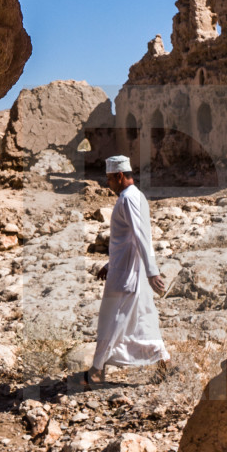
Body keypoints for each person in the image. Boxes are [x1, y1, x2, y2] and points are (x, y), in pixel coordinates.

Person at [87, 155, 170, 385]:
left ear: (119, 176)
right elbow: (127, 240)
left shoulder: (129, 198)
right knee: (142, 321)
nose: (108, 184)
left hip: (128, 275)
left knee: (111, 320)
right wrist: (110, 263)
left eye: (109, 180)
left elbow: (142, 236)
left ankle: (95, 371)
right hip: (125, 270)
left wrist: (152, 272)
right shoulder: (132, 196)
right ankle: (164, 364)